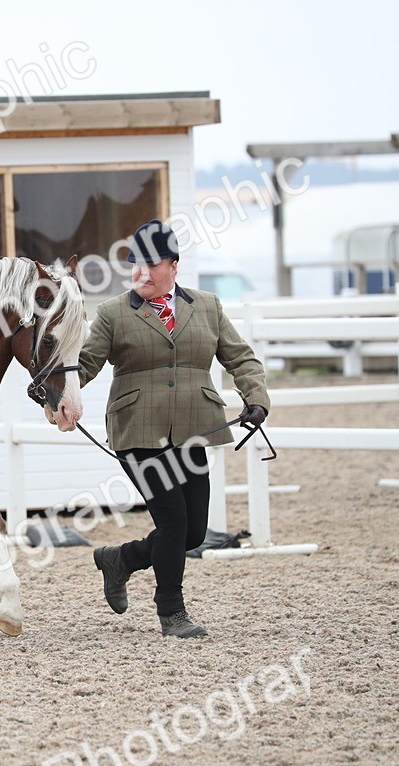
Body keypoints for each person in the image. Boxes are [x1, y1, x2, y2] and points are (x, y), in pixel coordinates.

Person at [67, 219, 270, 638]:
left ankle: (121, 559)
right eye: (134, 266)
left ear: (174, 266)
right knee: (175, 521)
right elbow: (85, 365)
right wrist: (58, 395)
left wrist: (256, 397)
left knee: (194, 531)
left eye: (151, 265)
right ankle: (171, 611)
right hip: (139, 431)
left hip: (195, 428)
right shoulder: (112, 314)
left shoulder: (208, 306)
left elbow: (241, 358)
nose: (141, 274)